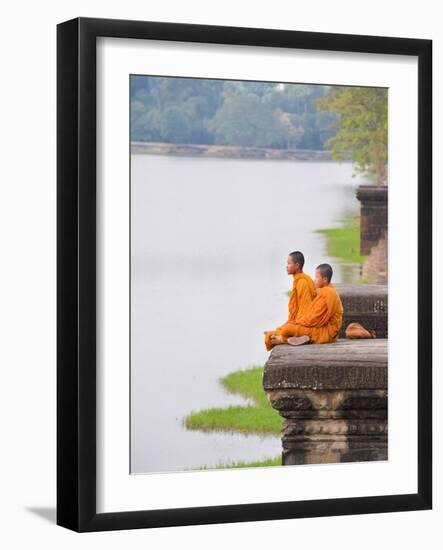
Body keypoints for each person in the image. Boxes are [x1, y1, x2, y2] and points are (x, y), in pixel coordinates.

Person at [267, 263, 343, 348]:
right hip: (324, 330)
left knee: (286, 329)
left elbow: (315, 318)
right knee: (290, 327)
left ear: (325, 279)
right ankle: (296, 338)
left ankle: (281, 339)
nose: (314, 280)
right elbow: (314, 316)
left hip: (326, 332)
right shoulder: (327, 291)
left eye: (317, 278)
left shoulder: (328, 293)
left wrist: (298, 322)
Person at [264, 251, 317, 351]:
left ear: (297, 265)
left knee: (282, 331)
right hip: (300, 321)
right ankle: (282, 336)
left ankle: (283, 339)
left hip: (305, 323)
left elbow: (306, 311)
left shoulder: (302, 282)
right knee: (281, 329)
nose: (286, 266)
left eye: (289, 263)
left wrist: (296, 326)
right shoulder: (301, 280)